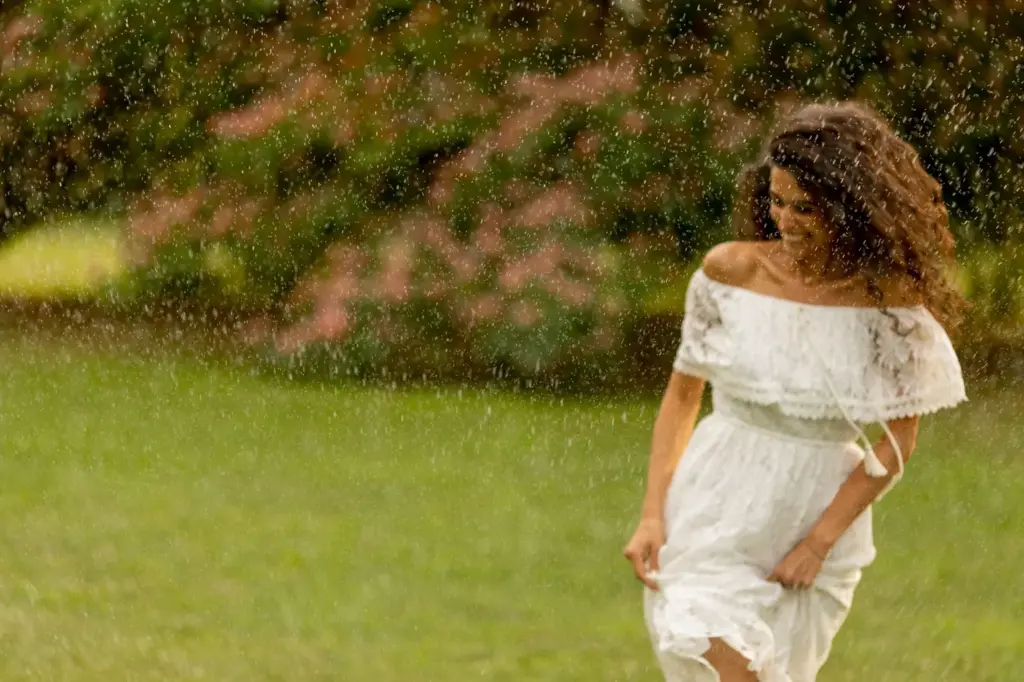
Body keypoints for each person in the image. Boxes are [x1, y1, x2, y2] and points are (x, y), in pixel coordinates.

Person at [622, 101, 968, 682]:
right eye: (777, 201)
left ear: (850, 209)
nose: (785, 219)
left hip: (813, 517)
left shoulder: (885, 305)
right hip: (714, 506)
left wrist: (818, 544)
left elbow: (896, 442)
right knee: (712, 650)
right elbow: (682, 397)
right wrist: (652, 514)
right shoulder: (728, 273)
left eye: (805, 207)